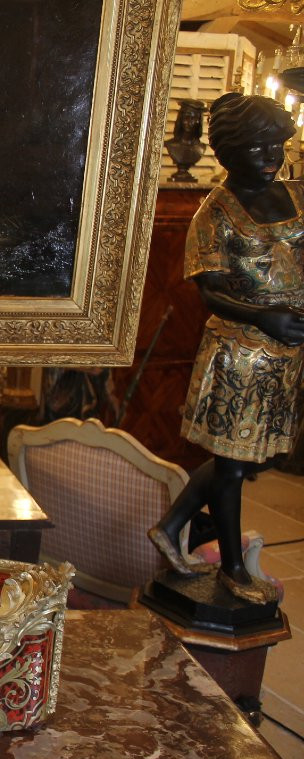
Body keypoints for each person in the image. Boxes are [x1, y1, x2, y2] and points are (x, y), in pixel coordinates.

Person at [147, 92, 304, 605]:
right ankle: (233, 568)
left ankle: (171, 526)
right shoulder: (214, 211)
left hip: (287, 353)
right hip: (240, 352)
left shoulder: (296, 194)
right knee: (233, 464)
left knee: (251, 459)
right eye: (258, 147)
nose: (271, 156)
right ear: (230, 150)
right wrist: (263, 316)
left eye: (277, 145)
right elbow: (209, 292)